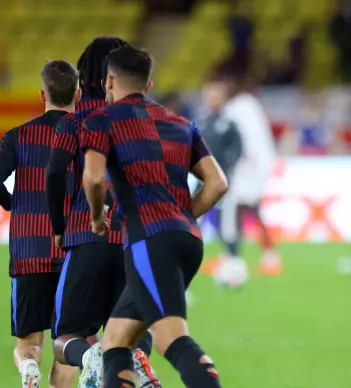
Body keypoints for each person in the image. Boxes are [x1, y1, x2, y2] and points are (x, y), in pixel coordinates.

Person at [79, 46, 228, 387]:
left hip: (149, 241)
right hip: (188, 239)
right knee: (116, 338)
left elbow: (94, 176)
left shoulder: (102, 119)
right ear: (148, 85)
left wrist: (97, 216)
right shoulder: (181, 123)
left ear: (109, 82)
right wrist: (181, 215)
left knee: (170, 338)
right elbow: (217, 183)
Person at [45, 37, 160, 387]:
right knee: (131, 332)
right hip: (136, 239)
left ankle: (90, 357)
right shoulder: (152, 118)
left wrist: (58, 226)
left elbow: (53, 173)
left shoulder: (76, 119)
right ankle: (134, 358)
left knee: (66, 338)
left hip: (86, 233)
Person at [0, 60, 81, 388]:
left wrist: (17, 207)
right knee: (68, 341)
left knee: (29, 343)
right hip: (73, 251)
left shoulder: (18, 136)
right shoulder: (87, 137)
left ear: (42, 93)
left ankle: (28, 368)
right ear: (78, 93)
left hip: (28, 252)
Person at [215, 77, 282, 276]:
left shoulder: (233, 109)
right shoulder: (249, 103)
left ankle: (234, 255)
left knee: (234, 205)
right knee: (251, 206)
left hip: (249, 165)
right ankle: (268, 253)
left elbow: (240, 137)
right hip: (261, 162)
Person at [199, 79, 245, 266]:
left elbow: (238, 149)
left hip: (224, 181)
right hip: (201, 181)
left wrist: (227, 170)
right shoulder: (200, 123)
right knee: (192, 222)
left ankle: (234, 259)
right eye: (209, 95)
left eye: (216, 96)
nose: (212, 100)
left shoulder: (229, 123)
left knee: (227, 222)